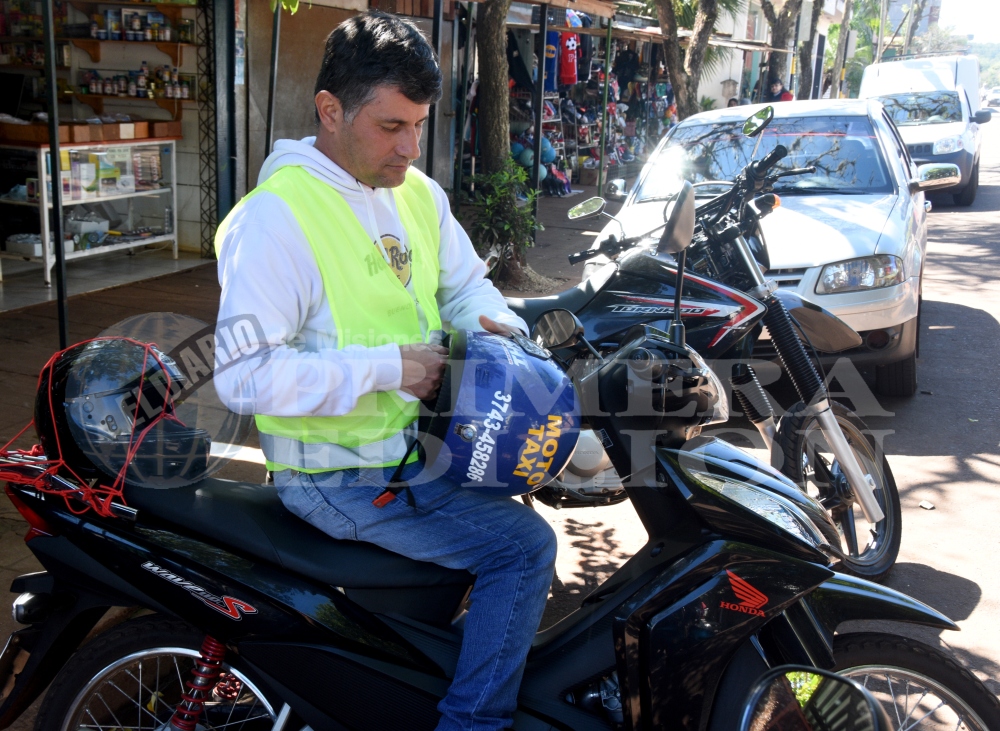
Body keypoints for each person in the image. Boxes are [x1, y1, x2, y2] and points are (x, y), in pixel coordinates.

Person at [213, 12, 557, 731]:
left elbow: (465, 287)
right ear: (331, 111)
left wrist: (502, 334)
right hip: (339, 473)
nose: (410, 147)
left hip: (413, 451)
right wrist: (386, 368)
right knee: (525, 548)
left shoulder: (418, 196)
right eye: (392, 126)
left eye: (419, 126)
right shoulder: (275, 220)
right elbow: (242, 377)